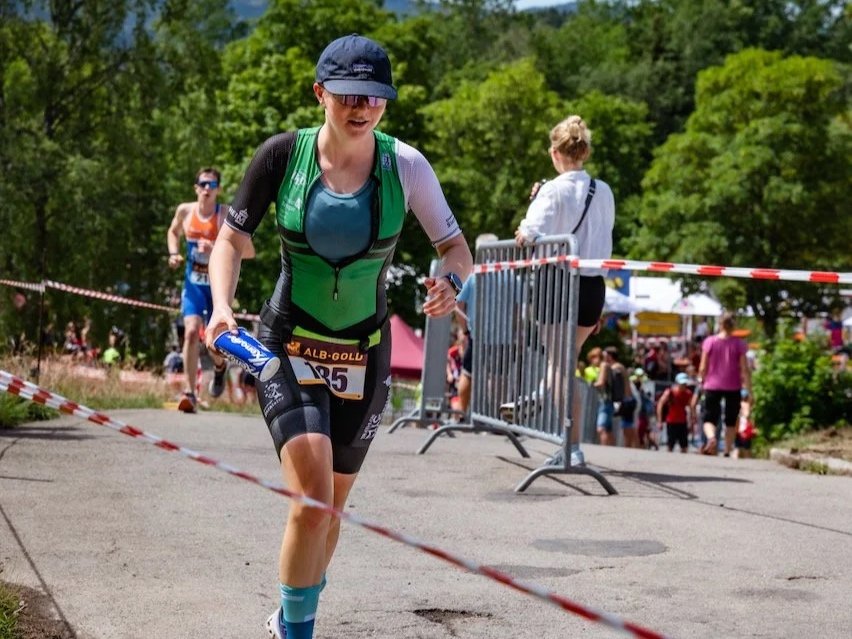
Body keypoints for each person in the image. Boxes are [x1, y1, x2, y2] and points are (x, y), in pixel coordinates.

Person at [203, 34, 472, 639]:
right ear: (320, 92)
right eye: (349, 94)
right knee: (313, 499)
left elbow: (455, 249)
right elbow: (229, 240)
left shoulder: (406, 165)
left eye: (375, 97)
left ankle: (291, 611)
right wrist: (221, 308)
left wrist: (452, 282)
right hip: (287, 346)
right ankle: (297, 632)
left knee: (332, 513)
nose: (362, 107)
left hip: (366, 353)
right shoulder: (281, 156)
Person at [514, 114, 615, 464]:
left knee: (561, 367)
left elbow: (527, 233)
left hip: (557, 282)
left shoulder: (552, 190)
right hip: (592, 285)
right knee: (566, 361)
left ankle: (570, 447)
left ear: (555, 153)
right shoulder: (603, 191)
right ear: (584, 152)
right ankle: (546, 402)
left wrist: (529, 218)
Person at [167, 167, 255, 413]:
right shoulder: (185, 211)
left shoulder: (225, 214)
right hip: (193, 286)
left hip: (218, 289)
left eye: (212, 185)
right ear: (196, 187)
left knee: (214, 340)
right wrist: (174, 253)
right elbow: (172, 232)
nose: (207, 189)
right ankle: (190, 393)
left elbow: (249, 251)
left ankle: (219, 368)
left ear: (218, 189)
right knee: (191, 333)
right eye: (203, 184)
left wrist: (217, 246)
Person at [455, 232, 498, 417]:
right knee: (498, 379)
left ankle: (460, 414)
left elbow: (458, 303)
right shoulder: (510, 274)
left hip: (478, 334)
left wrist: (464, 329)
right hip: (502, 337)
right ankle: (495, 418)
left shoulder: (473, 276)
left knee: (468, 373)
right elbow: (517, 310)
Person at [698, 311, 752, 456]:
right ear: (733, 325)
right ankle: (727, 450)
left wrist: (701, 382)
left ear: (720, 324)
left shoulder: (710, 342)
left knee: (709, 418)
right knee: (730, 420)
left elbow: (703, 367)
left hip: (712, 385)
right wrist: (749, 389)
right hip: (733, 386)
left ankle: (711, 438)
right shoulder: (739, 344)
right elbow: (745, 369)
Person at [594, 347, 633, 446]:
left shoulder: (611, 366)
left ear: (609, 356)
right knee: (609, 428)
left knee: (602, 428)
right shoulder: (618, 367)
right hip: (619, 400)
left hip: (614, 400)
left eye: (603, 355)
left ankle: (605, 449)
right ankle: (612, 449)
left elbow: (601, 381)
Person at [656, 372, 694, 453]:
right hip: (671, 422)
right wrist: (659, 421)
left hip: (683, 422)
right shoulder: (670, 392)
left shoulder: (688, 393)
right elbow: (660, 404)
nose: (683, 385)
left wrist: (692, 421)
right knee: (670, 446)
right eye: (681, 383)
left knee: (684, 447)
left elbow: (691, 407)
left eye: (684, 383)